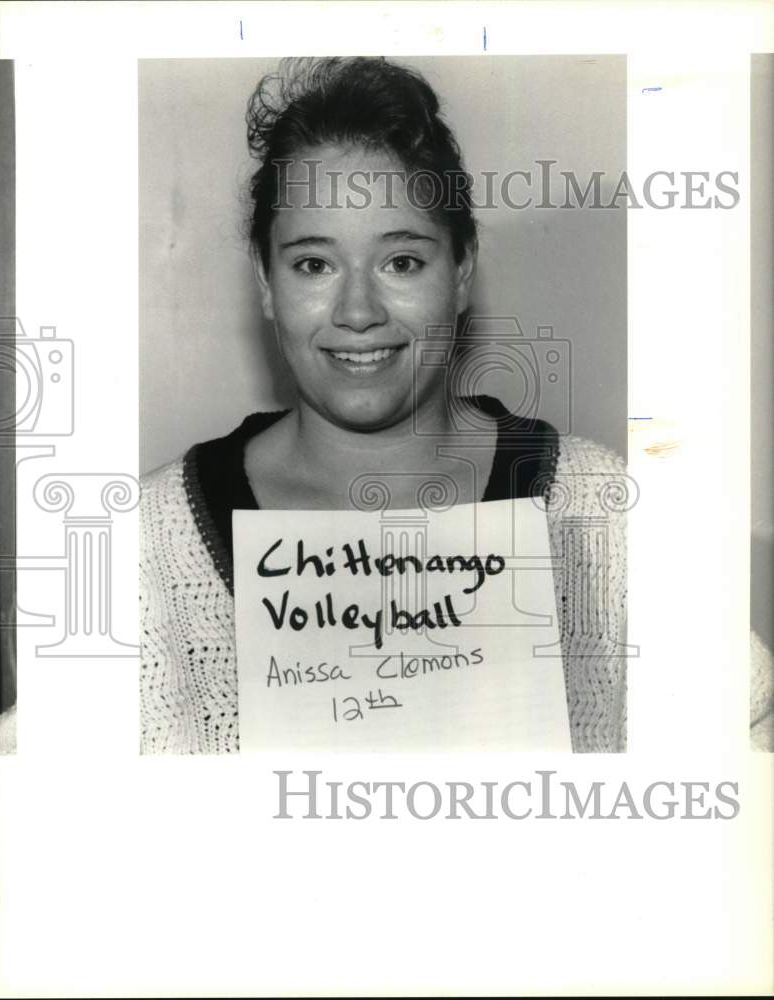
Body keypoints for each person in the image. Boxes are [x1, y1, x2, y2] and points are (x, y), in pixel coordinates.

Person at [139, 56, 770, 754]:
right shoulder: (147, 547)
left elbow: (751, 738)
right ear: (266, 281)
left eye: (402, 261)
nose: (357, 312)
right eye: (314, 264)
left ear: (462, 271)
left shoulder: (601, 513)